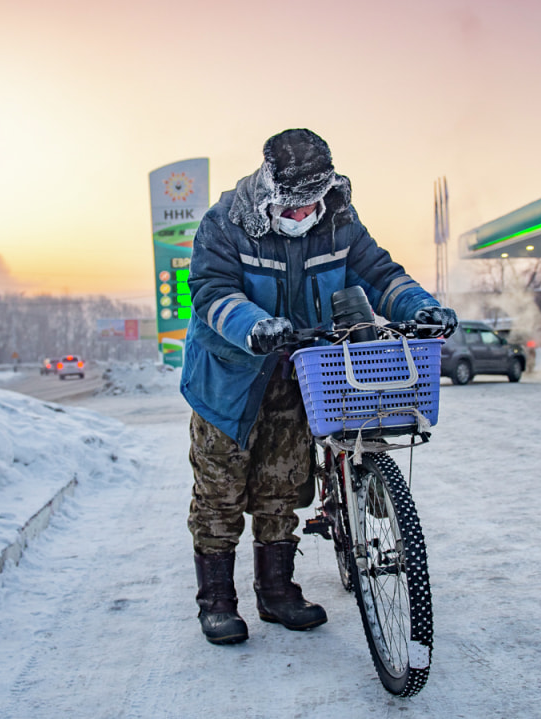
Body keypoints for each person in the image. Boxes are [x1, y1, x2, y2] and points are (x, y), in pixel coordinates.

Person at [180, 128, 458, 645]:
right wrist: (253, 325)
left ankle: (277, 591)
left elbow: (379, 274)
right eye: (295, 206)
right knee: (219, 493)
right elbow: (211, 290)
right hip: (229, 380)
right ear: (270, 189)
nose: (306, 214)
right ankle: (216, 601)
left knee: (281, 488)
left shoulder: (340, 220)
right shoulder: (225, 224)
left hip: (299, 372)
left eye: (313, 203)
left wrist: (419, 306)